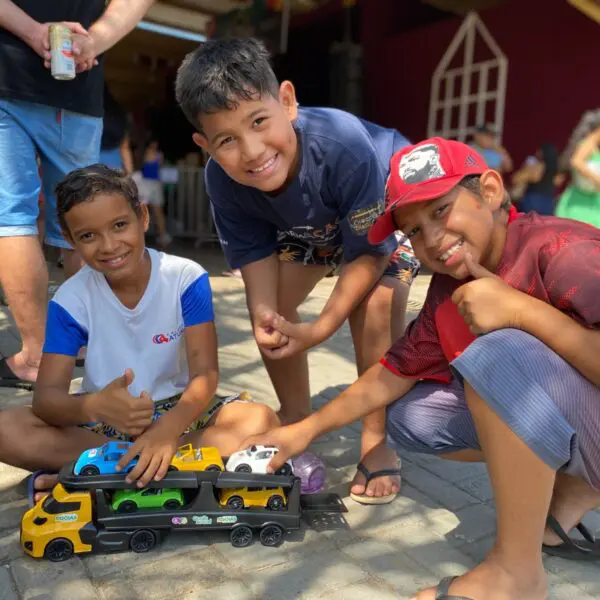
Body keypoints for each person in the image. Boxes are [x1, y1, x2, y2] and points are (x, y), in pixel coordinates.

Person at [243, 138, 600, 600]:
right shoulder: (451, 286)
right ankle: (572, 486)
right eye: (413, 231)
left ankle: (516, 574)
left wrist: (520, 311)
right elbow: (393, 372)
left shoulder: (564, 249)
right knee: (412, 417)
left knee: (497, 353)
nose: (430, 239)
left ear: (490, 191)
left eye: (440, 210)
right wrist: (303, 430)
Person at [175, 37, 420, 504]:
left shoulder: (342, 142)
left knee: (376, 303)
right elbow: (255, 264)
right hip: (311, 226)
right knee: (271, 320)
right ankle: (295, 418)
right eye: (226, 140)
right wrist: (272, 320)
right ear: (204, 146)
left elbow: (367, 254)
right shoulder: (222, 182)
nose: (251, 151)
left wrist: (320, 329)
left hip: (389, 204)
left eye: (259, 122)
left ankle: (376, 439)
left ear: (287, 101)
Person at [0, 165, 281, 504]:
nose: (109, 246)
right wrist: (95, 406)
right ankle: (165, 464)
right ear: (70, 239)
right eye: (87, 236)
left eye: (120, 225)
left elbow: (205, 375)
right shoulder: (70, 300)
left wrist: (166, 431)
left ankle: (102, 469)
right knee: (6, 430)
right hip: (105, 421)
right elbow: (47, 400)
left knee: (260, 419)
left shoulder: (185, 278)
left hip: (183, 413)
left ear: (143, 217)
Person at [0, 0, 154, 388]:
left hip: (7, 75)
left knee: (11, 218)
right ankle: (97, 346)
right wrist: (94, 42)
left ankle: (37, 357)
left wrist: (34, 32)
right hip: (77, 81)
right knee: (85, 219)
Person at [555, 120, 600, 228]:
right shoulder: (588, 143)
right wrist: (595, 179)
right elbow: (576, 161)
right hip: (580, 202)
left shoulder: (596, 148)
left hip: (592, 202)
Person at [139, 139, 172, 249]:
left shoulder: (145, 153)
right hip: (154, 183)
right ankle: (162, 238)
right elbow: (160, 167)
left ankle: (142, 238)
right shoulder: (158, 155)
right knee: (156, 212)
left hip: (146, 184)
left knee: (143, 211)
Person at [511, 143, 559, 215]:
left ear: (543, 153)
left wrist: (526, 167)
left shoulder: (537, 167)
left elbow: (515, 179)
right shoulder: (556, 172)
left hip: (533, 202)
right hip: (548, 204)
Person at [99, 85, 134, 174]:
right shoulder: (119, 114)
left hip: (92, 162)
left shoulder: (92, 114)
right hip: (114, 163)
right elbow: (125, 147)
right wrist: (129, 174)